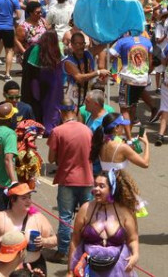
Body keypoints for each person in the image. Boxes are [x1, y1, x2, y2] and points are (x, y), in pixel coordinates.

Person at [47, 98, 94, 264]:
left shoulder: (58, 131)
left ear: (60, 112)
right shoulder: (87, 130)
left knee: (65, 218)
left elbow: (51, 159)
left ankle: (63, 251)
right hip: (87, 180)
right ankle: (88, 249)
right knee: (88, 217)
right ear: (76, 109)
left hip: (67, 179)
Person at [70, 170, 141, 277]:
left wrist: (135, 254)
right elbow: (75, 240)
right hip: (89, 268)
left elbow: (133, 239)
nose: (96, 189)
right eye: (95, 185)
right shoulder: (85, 209)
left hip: (118, 268)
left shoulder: (124, 211)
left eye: (101, 186)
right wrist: (70, 271)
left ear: (111, 189)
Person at [0, 182, 58, 274]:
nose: (29, 201)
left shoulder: (37, 218)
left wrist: (43, 241)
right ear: (13, 200)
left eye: (29, 197)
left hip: (34, 269)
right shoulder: (0, 218)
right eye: (24, 198)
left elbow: (55, 240)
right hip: (5, 270)